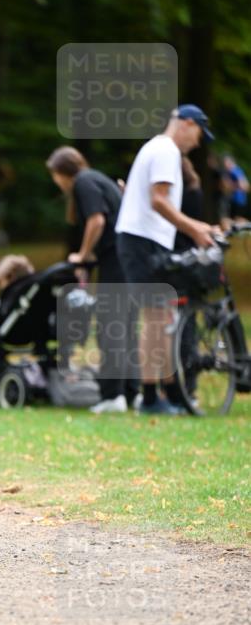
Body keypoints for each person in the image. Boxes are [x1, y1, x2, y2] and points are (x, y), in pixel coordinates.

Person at [115, 104, 217, 415]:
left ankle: (170, 392)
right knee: (155, 319)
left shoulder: (158, 149)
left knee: (162, 319)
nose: (198, 143)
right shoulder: (166, 151)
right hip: (141, 241)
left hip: (146, 241)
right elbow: (158, 199)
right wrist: (194, 228)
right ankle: (149, 397)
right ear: (187, 123)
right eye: (199, 133)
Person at [46, 146, 139, 414]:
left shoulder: (84, 182)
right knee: (127, 327)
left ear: (61, 172)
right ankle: (132, 392)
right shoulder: (97, 178)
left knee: (110, 327)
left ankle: (113, 395)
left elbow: (97, 221)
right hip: (128, 259)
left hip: (116, 260)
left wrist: (82, 255)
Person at [222, 155, 249, 224]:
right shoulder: (236, 171)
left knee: (236, 221)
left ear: (231, 162)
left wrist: (230, 186)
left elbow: (244, 185)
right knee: (236, 220)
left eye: (226, 163)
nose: (225, 166)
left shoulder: (234, 171)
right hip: (238, 200)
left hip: (237, 200)